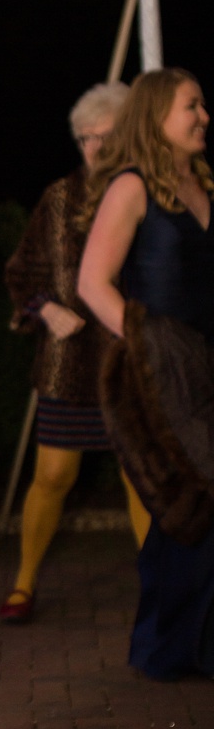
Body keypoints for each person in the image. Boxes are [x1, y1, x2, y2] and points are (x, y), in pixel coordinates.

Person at [78, 68, 214, 680]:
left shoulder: (201, 182)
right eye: (192, 106)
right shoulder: (130, 187)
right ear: (157, 114)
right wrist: (148, 343)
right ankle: (168, 648)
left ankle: (184, 646)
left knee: (198, 504)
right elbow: (91, 284)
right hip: (163, 380)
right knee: (188, 501)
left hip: (207, 368)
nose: (203, 116)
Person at [1, 82, 146, 624]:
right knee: (54, 475)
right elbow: (22, 271)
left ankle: (156, 584)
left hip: (134, 362)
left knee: (140, 474)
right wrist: (43, 307)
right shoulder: (60, 197)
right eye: (85, 139)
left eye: (106, 138)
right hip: (69, 364)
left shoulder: (151, 194)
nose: (94, 149)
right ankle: (23, 582)